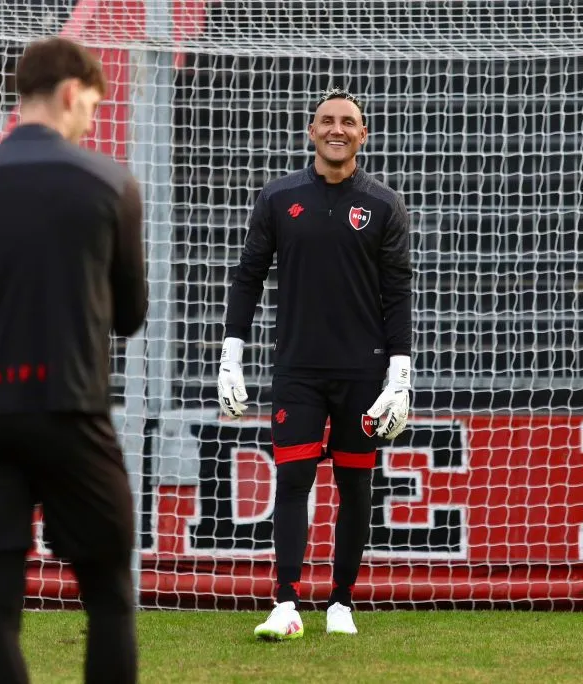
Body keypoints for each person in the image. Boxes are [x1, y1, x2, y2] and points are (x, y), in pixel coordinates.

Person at [0, 37, 147, 683]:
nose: (91, 119)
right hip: (69, 410)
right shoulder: (109, 182)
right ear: (66, 93)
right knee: (109, 594)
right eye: (89, 104)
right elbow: (130, 316)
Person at [217, 86, 414, 640]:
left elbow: (397, 293)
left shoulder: (382, 204)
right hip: (297, 369)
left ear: (362, 134)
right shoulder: (279, 199)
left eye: (348, 122)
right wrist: (232, 355)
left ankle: (341, 604)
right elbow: (248, 276)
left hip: (362, 372)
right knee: (294, 480)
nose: (337, 129)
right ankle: (285, 603)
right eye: (327, 120)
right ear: (310, 130)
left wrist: (400, 375)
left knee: (355, 487)